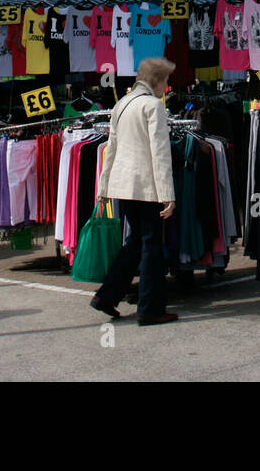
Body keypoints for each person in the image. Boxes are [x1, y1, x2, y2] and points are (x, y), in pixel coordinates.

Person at [91, 56, 178, 326]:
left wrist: (104, 187)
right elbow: (159, 153)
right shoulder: (153, 106)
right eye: (165, 81)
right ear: (158, 81)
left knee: (136, 242)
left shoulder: (122, 104)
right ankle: (150, 308)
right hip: (146, 187)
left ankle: (107, 295)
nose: (166, 87)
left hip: (123, 185)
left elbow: (111, 148)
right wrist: (168, 194)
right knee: (152, 245)